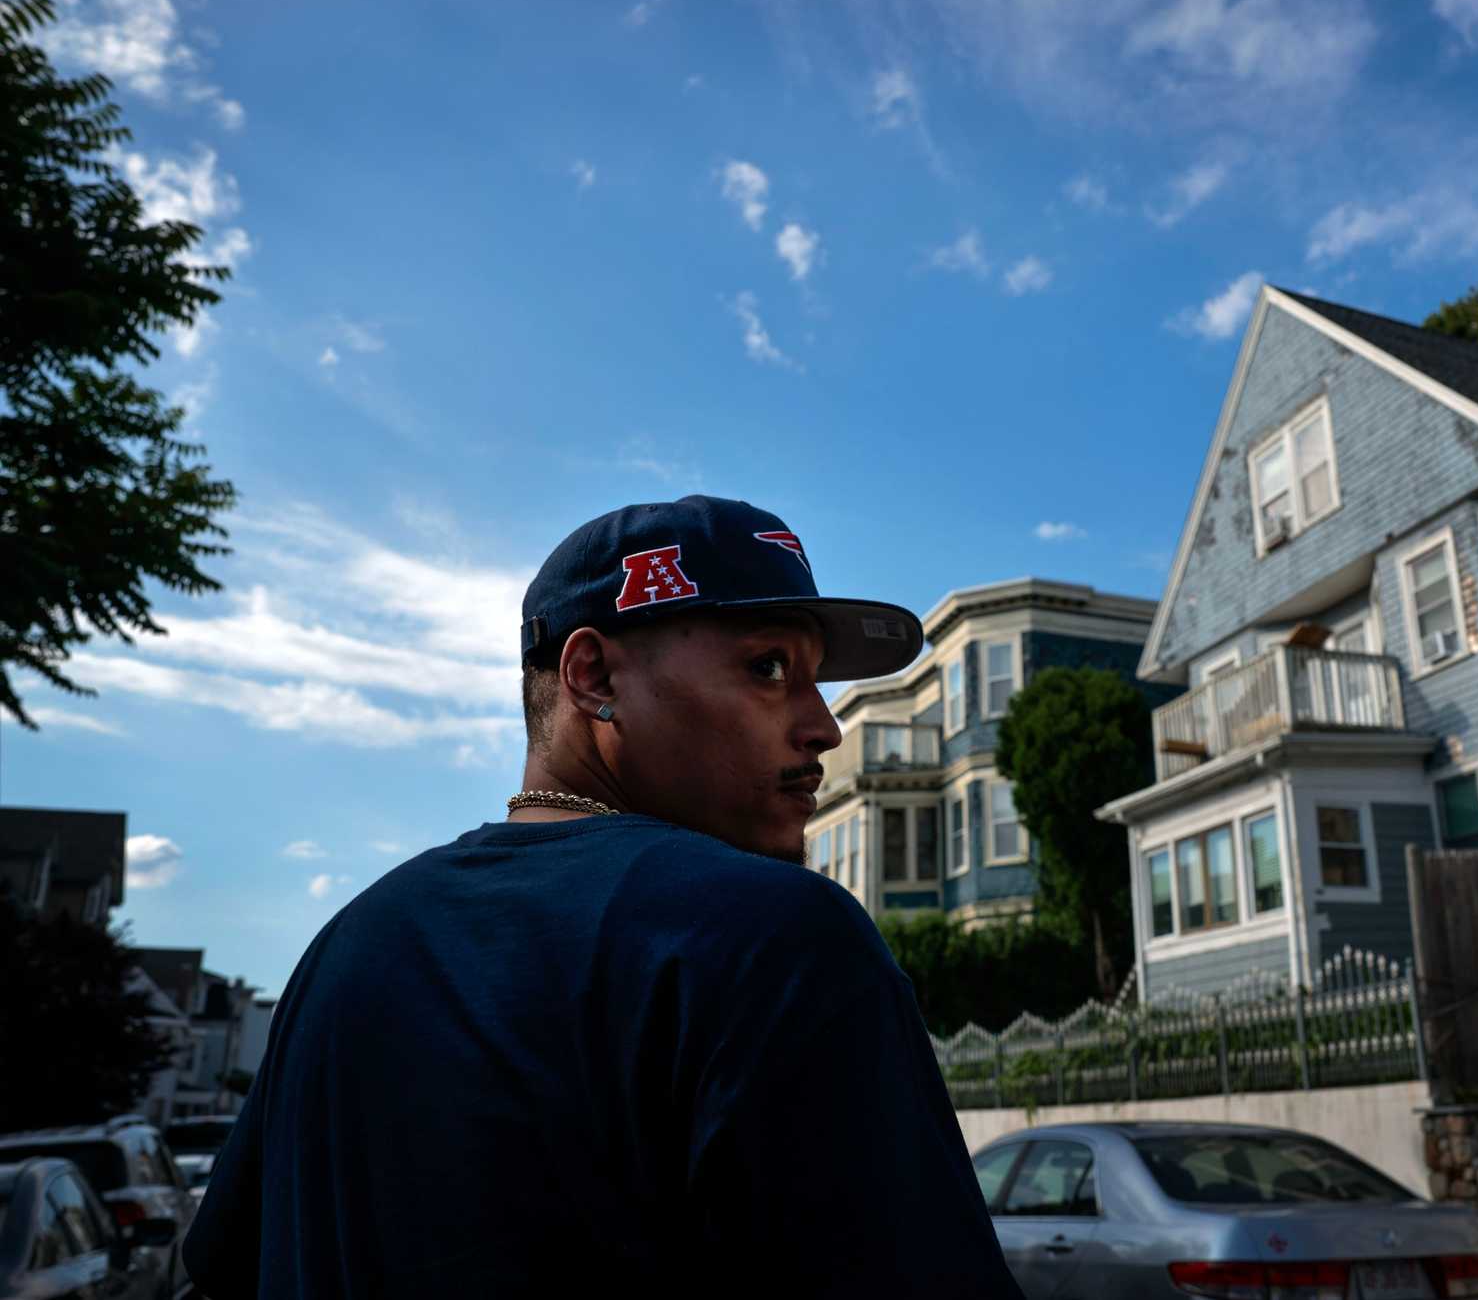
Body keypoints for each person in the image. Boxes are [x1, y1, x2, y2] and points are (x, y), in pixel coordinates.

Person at [183, 496, 1024, 1298]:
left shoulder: (345, 945)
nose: (823, 726)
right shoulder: (775, 937)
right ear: (592, 677)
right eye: (768, 667)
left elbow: (226, 1269)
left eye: (814, 679)